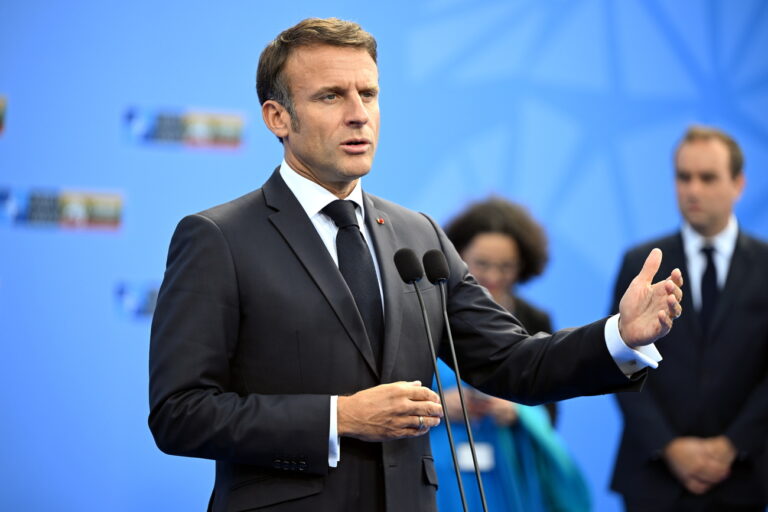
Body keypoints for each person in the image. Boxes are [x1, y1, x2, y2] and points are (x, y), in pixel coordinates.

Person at [148, 17, 683, 512]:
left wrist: (620, 336)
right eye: (331, 95)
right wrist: (340, 417)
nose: (358, 113)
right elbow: (180, 413)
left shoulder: (417, 234)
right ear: (277, 117)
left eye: (369, 93)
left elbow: (514, 360)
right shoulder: (219, 238)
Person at [610, 125, 768, 512]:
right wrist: (669, 446)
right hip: (653, 477)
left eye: (707, 178)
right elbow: (617, 359)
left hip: (745, 476)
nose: (692, 190)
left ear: (738, 183)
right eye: (684, 177)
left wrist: (731, 446)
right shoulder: (643, 264)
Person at [430, 198, 589, 511]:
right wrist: (439, 405)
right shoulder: (430, 312)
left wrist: (519, 410)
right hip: (443, 472)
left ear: (523, 265)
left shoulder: (536, 319)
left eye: (506, 267)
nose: (493, 276)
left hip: (513, 474)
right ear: (458, 258)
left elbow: (551, 405)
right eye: (482, 264)